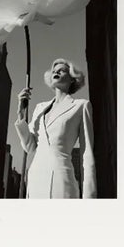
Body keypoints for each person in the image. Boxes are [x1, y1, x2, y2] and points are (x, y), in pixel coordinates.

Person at [14, 58, 96, 200]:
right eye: (54, 70)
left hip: (61, 181)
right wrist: (21, 115)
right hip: (35, 180)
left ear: (72, 78)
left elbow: (87, 154)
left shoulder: (81, 106)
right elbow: (31, 148)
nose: (56, 72)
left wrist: (89, 198)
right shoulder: (40, 108)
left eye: (62, 70)